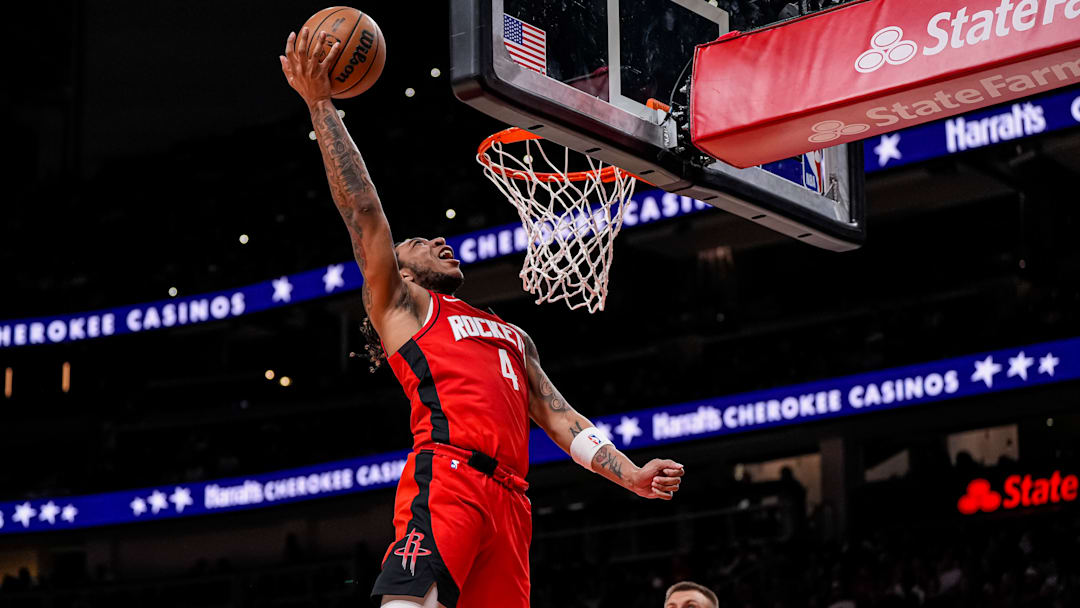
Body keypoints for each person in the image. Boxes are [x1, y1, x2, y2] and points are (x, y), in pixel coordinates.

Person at [279, 28, 685, 608]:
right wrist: (322, 106)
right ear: (399, 271)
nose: (439, 240)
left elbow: (563, 418)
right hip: (450, 478)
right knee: (411, 604)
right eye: (419, 241)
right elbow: (363, 212)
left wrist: (630, 474)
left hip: (513, 502)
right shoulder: (405, 308)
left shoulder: (514, 337)